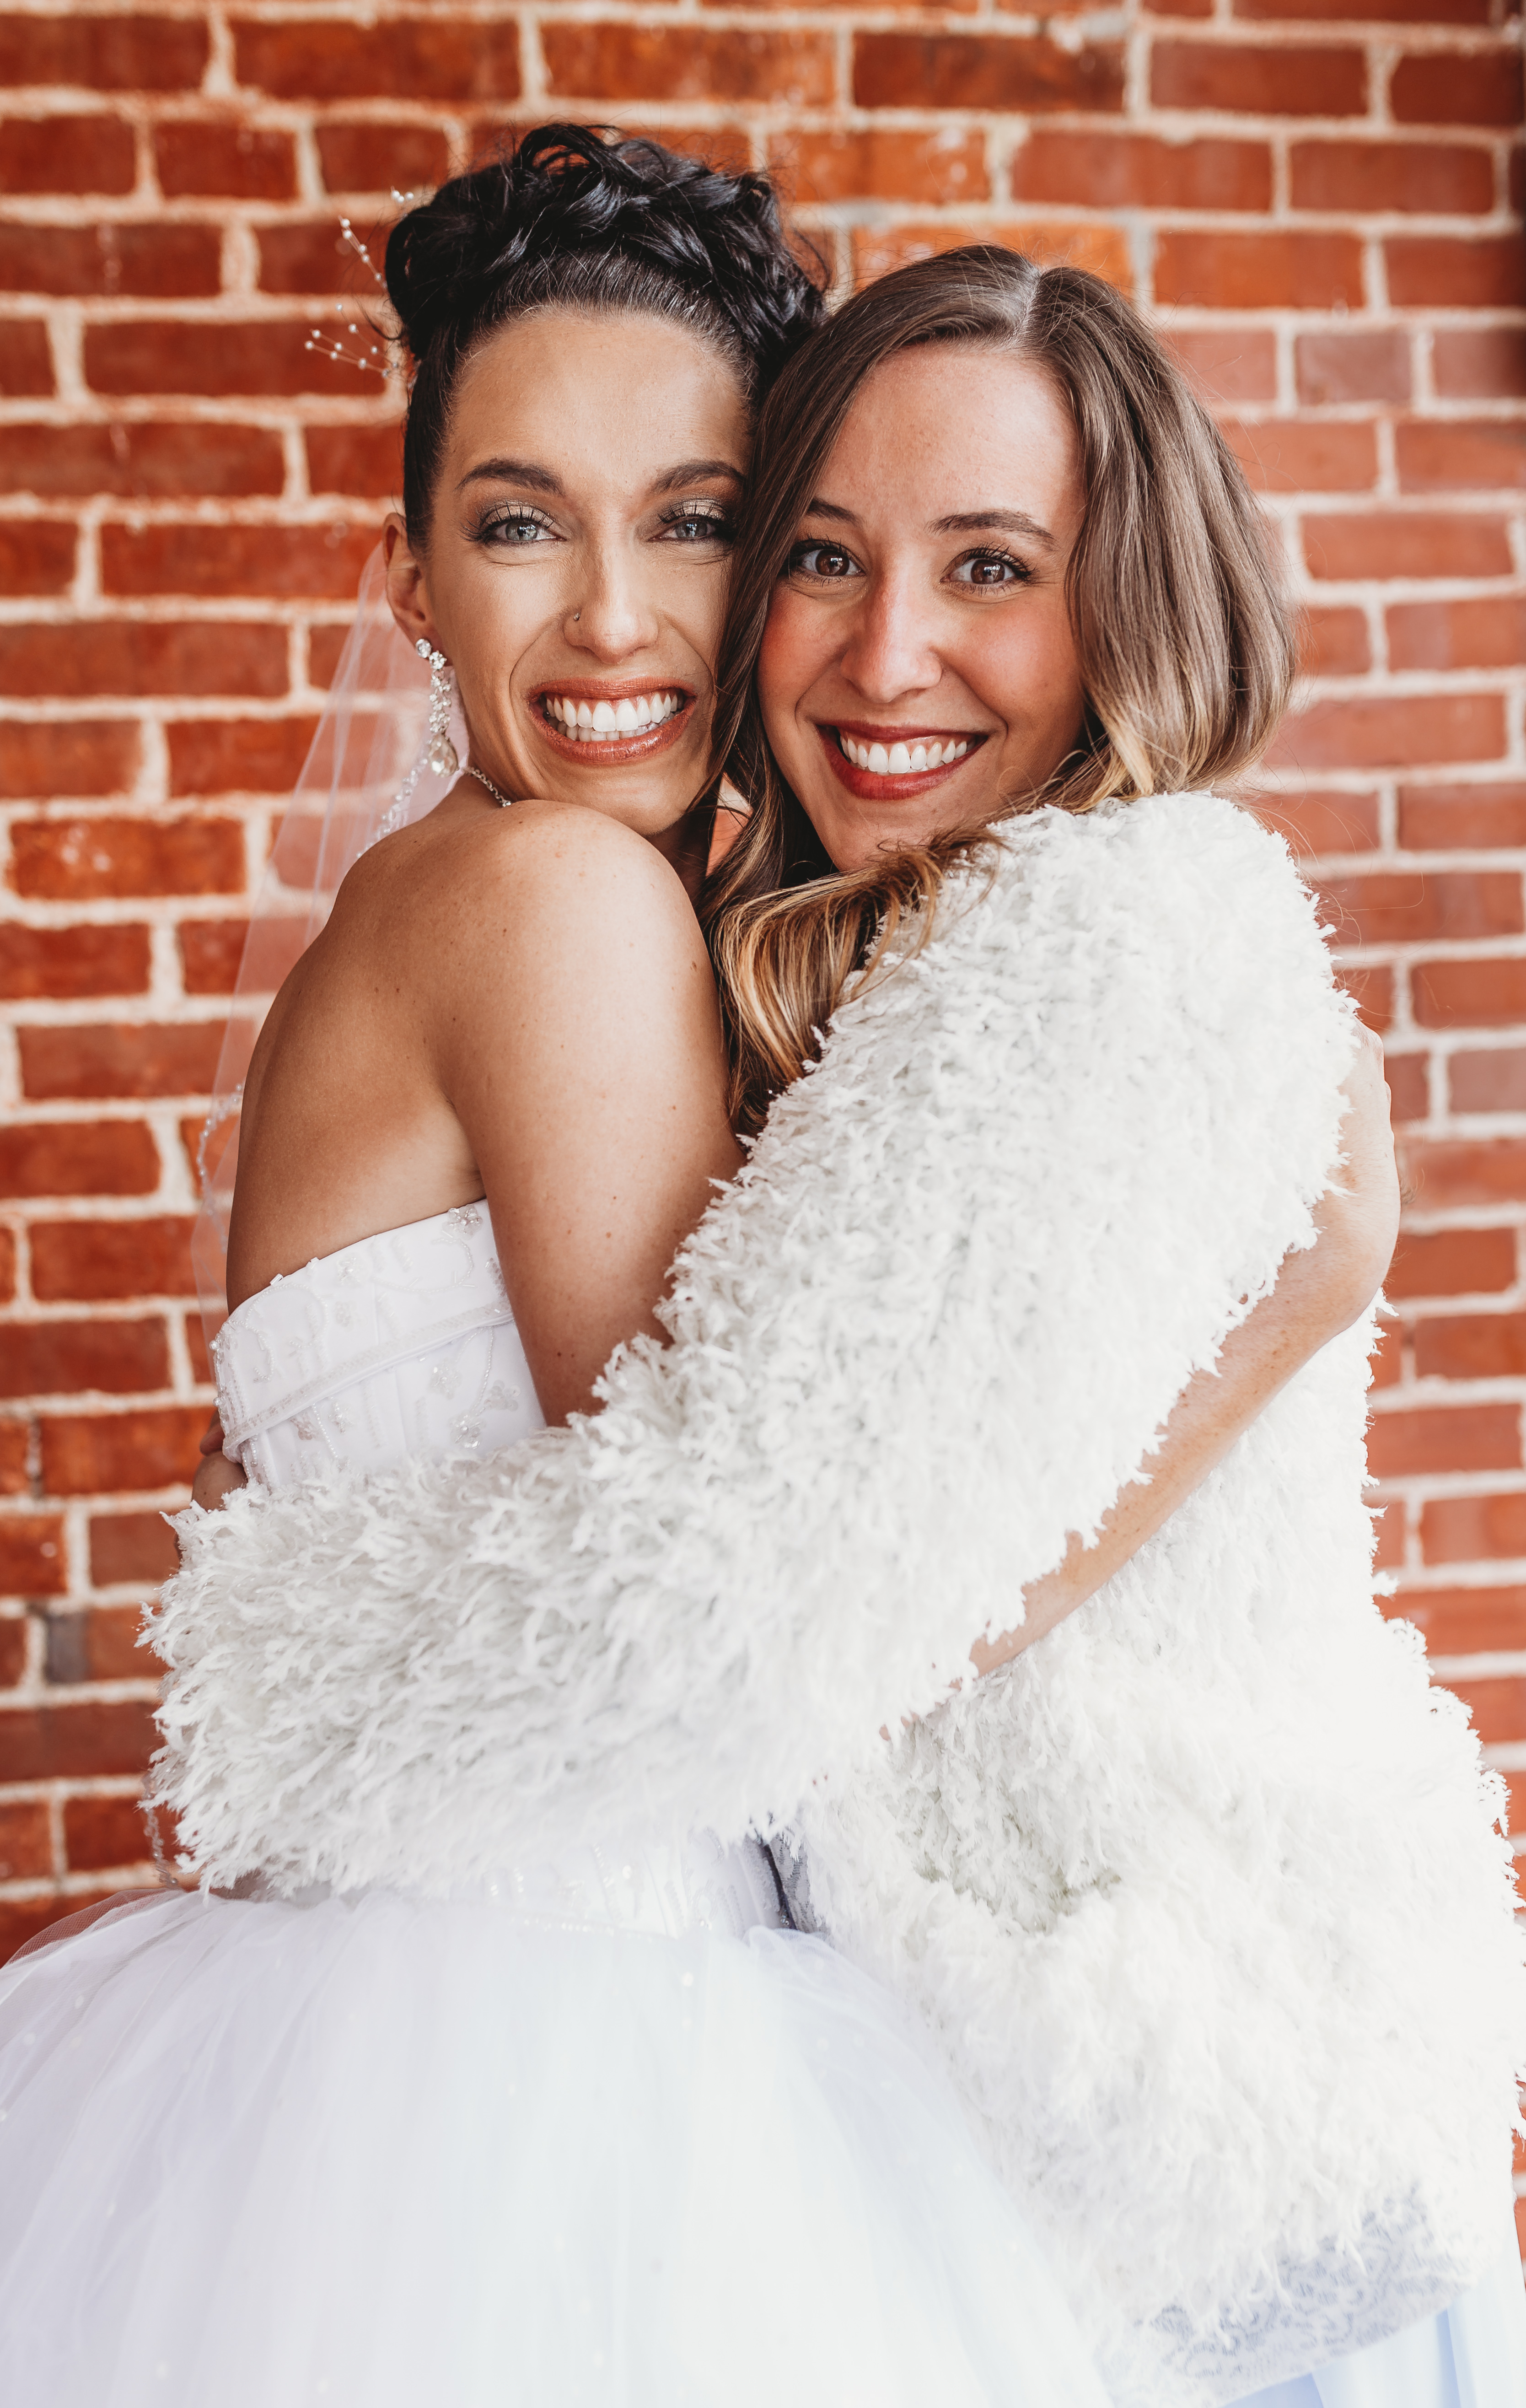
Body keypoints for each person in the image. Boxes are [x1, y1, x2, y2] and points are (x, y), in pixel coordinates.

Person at [140, 242, 1521, 2408]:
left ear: (1127, 608)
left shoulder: (1114, 930)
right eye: (817, 552)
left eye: (991, 566)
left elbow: (767, 1604)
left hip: (1205, 2130)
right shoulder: (784, 947)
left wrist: (272, 1646)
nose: (886, 652)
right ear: (413, 574)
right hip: (984, 2111)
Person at [0, 134, 1134, 2408]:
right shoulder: (561, 904)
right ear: (414, 578)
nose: (614, 618)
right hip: (569, 2054)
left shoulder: (427, 902)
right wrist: (1279, 1312)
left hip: (387, 2040)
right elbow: (749, 1598)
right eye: (521, 523)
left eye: (692, 520)